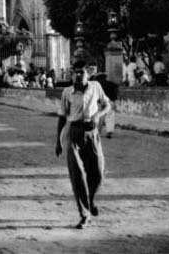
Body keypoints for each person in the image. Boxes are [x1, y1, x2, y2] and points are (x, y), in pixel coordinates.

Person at [56, 60, 111, 229]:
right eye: (76, 72)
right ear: (72, 74)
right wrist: (58, 141)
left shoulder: (96, 87)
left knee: (98, 172)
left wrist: (98, 115)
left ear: (88, 74)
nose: (78, 75)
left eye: (82, 72)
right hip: (74, 134)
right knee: (77, 175)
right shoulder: (67, 92)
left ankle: (91, 199)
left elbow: (107, 105)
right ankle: (85, 214)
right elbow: (62, 117)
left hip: (92, 134)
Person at [95, 73, 118, 138]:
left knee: (99, 117)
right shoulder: (112, 84)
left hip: (100, 102)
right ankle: (109, 132)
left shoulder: (97, 85)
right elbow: (116, 90)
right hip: (110, 101)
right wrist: (114, 99)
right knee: (110, 116)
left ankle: (98, 131)